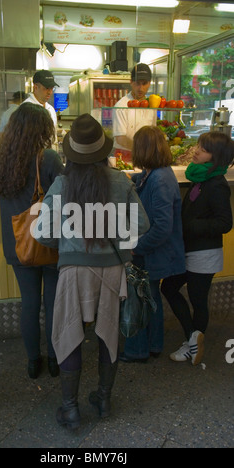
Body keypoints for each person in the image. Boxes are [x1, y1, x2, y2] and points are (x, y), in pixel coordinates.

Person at [34, 113, 150, 430]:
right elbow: (141, 225)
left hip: (73, 270)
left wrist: (69, 240)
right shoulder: (121, 182)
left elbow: (41, 233)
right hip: (113, 270)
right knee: (108, 333)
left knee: (70, 335)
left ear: (71, 152)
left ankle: (70, 409)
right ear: (104, 151)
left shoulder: (61, 184)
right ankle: (104, 399)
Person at [0, 103, 64, 379]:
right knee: (52, 304)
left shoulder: (3, 158)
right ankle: (54, 360)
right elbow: (65, 191)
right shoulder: (47, 158)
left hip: (18, 244)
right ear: (44, 130)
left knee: (29, 303)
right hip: (49, 242)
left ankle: (32, 361)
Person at [161, 131, 234, 365]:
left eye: (203, 149)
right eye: (198, 146)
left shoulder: (217, 185)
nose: (196, 151)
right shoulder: (201, 179)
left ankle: (192, 345)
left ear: (216, 156)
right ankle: (193, 338)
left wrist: (192, 225)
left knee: (197, 300)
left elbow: (225, 223)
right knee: (169, 288)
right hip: (190, 250)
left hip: (204, 253)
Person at [119, 126, 186, 364]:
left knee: (140, 297)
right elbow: (141, 182)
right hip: (154, 252)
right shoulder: (156, 173)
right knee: (151, 297)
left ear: (142, 150)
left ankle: (137, 350)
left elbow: (162, 227)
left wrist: (137, 248)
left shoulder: (160, 179)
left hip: (153, 252)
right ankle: (154, 345)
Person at [113, 63, 157, 163]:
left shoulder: (151, 105)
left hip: (146, 156)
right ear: (131, 82)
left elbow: (153, 133)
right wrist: (144, 150)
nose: (140, 88)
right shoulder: (121, 106)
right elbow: (121, 139)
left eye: (144, 83)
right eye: (137, 83)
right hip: (124, 156)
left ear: (149, 83)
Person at [22, 70, 58, 145]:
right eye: (46, 88)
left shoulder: (50, 109)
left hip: (48, 154)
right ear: (35, 87)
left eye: (51, 88)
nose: (50, 92)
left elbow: (53, 136)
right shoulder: (26, 109)